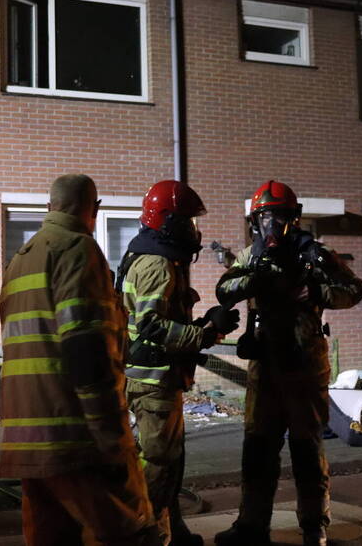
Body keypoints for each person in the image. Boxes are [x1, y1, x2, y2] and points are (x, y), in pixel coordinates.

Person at [0, 174, 161, 546]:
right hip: (74, 439)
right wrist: (111, 436)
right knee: (128, 532)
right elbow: (86, 349)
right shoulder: (78, 250)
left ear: (48, 207)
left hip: (25, 439)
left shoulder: (21, 260)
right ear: (95, 210)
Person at [213, 181, 362, 546]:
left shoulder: (314, 253)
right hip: (264, 366)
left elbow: (353, 290)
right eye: (266, 215)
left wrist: (315, 290)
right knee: (258, 448)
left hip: (304, 366)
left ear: (293, 218)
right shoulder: (252, 255)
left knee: (306, 447)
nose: (272, 223)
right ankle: (251, 526)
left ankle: (315, 527)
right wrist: (256, 278)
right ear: (255, 220)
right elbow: (224, 290)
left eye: (279, 215)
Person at [118, 180, 240, 546]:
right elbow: (151, 325)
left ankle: (173, 531)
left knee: (170, 461)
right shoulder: (157, 264)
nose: (193, 229)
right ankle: (146, 536)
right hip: (153, 380)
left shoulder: (158, 256)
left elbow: (165, 320)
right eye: (187, 220)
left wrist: (207, 325)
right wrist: (204, 335)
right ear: (167, 220)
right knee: (157, 464)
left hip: (160, 377)